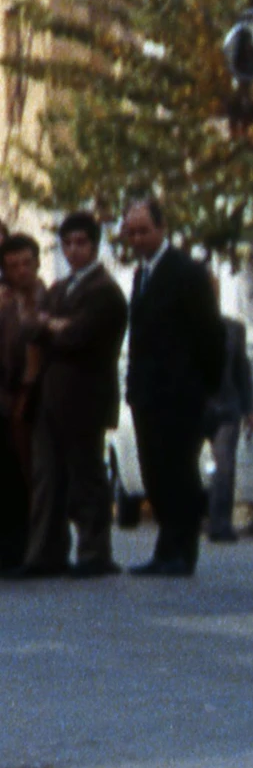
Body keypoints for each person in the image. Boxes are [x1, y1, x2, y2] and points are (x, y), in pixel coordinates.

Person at [120, 195, 222, 577]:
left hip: (180, 394)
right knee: (154, 473)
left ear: (162, 229)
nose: (138, 239)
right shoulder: (141, 275)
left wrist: (206, 388)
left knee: (179, 471)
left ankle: (182, 549)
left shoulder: (186, 272)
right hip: (147, 395)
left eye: (144, 231)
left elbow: (210, 335)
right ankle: (166, 547)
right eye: (132, 233)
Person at [19, 214, 127, 577]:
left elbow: (78, 335)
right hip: (49, 396)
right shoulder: (59, 288)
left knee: (87, 475)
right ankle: (46, 553)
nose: (73, 250)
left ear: (94, 245)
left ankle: (94, 552)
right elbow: (30, 327)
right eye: (67, 244)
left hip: (85, 397)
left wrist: (52, 326)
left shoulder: (105, 291)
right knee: (47, 478)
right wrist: (50, 324)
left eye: (80, 243)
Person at [0, 233, 42, 561]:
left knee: (30, 475)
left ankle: (33, 548)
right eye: (11, 265)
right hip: (8, 398)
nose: (19, 271)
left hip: (33, 399)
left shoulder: (48, 297)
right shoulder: (5, 301)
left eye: (25, 264)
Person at [204, 310, 253, 545]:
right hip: (194, 407)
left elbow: (242, 370)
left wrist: (249, 408)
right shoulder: (184, 326)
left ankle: (220, 523)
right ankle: (182, 523)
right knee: (182, 468)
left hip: (227, 407)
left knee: (224, 466)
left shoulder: (234, 329)